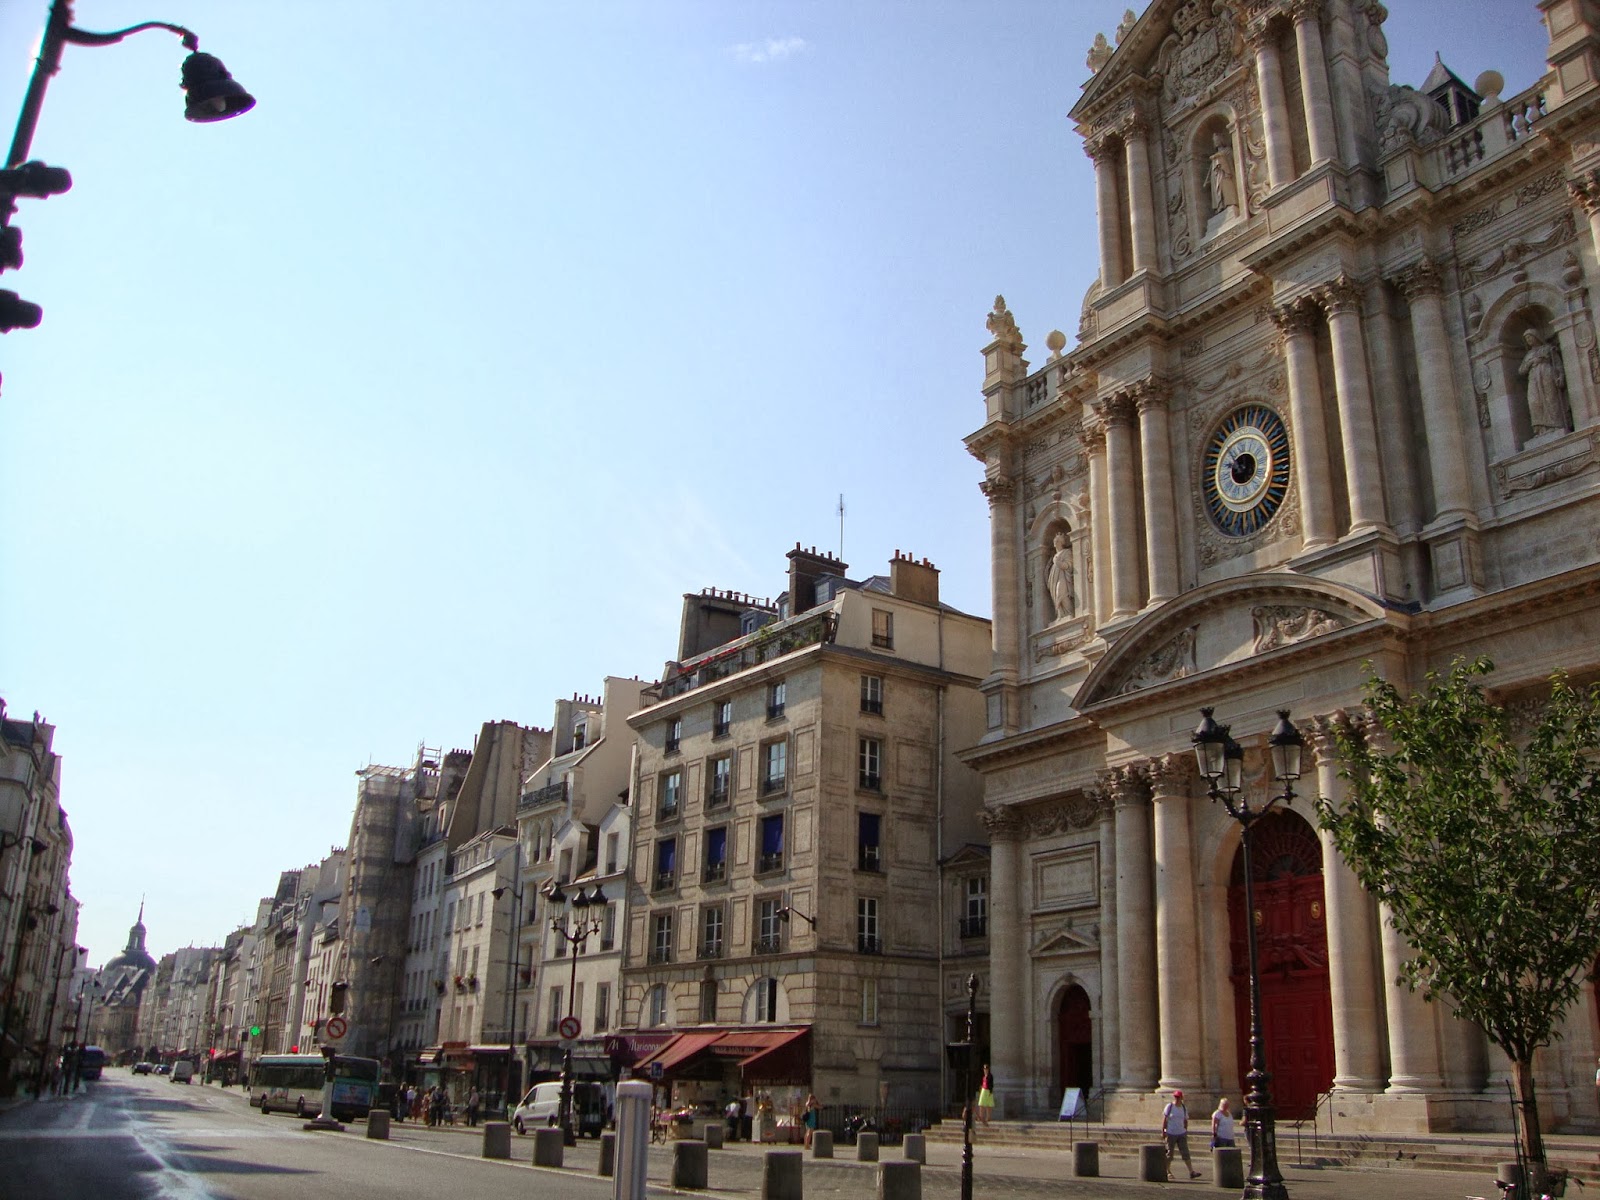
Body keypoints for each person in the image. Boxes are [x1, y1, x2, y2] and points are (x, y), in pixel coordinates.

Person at [1520, 329, 1569, 436]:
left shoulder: (1548, 349)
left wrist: (1561, 376)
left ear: (1536, 337)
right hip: (1533, 379)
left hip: (1548, 376)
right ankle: (1541, 429)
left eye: (1530, 337)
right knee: (1534, 402)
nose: (1528, 340)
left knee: (1550, 399)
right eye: (1526, 339)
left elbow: (1558, 363)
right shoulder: (1528, 355)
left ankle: (1556, 425)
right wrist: (1531, 362)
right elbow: (1521, 371)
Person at [1162, 1090, 1202, 1179]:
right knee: (1169, 1153)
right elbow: (1165, 1119)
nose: (1176, 1099)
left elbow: (1185, 1120)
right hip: (1170, 1132)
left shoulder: (1183, 1108)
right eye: (1175, 1097)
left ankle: (1191, 1171)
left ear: (1181, 1098)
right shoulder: (1170, 1106)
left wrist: (1185, 1131)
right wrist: (1164, 1131)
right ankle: (1167, 1171)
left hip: (1181, 1133)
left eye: (1178, 1097)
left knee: (1185, 1152)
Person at [1207, 131, 1237, 217]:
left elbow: (1232, 160)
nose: (1216, 142)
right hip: (1217, 177)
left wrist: (1220, 157)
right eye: (1214, 141)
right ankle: (1220, 206)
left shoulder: (1227, 150)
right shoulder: (1215, 156)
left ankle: (1230, 203)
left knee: (1227, 189)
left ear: (1221, 140)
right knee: (1218, 190)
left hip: (1226, 175)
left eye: (1217, 140)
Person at [1047, 531, 1075, 621]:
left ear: (1060, 542)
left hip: (1063, 577)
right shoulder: (1055, 556)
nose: (1055, 543)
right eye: (1055, 541)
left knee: (1061, 594)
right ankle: (1060, 615)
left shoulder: (1066, 552)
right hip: (1054, 578)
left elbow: (1068, 565)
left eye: (1057, 541)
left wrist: (1057, 563)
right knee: (1056, 595)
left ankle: (1069, 613)